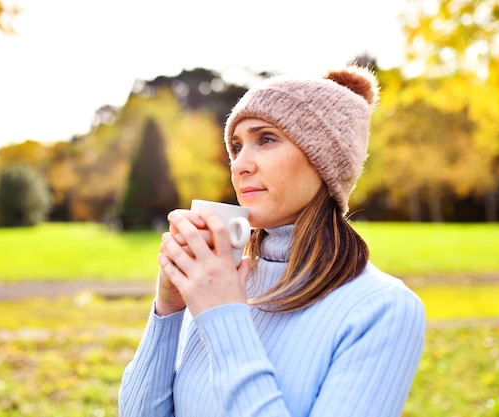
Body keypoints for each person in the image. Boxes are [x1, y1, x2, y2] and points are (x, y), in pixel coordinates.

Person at [119, 65, 426, 417]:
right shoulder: (222, 279)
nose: (238, 165)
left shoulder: (382, 310)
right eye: (236, 146)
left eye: (265, 139)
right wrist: (168, 310)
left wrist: (223, 317)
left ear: (323, 159)